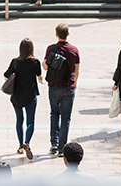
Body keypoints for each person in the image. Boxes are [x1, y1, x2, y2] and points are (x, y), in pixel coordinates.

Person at [43, 23, 80, 157]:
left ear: (56, 34)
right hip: (68, 86)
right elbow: (76, 70)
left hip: (53, 86)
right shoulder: (74, 50)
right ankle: (61, 148)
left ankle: (54, 143)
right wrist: (75, 83)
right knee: (66, 118)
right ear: (68, 34)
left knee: (54, 114)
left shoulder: (50, 49)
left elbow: (46, 67)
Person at [4, 38, 43, 159]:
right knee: (30, 122)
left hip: (17, 96)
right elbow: (39, 76)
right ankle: (27, 142)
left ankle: (21, 146)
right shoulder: (35, 62)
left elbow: (6, 76)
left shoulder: (15, 62)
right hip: (30, 96)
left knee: (19, 120)